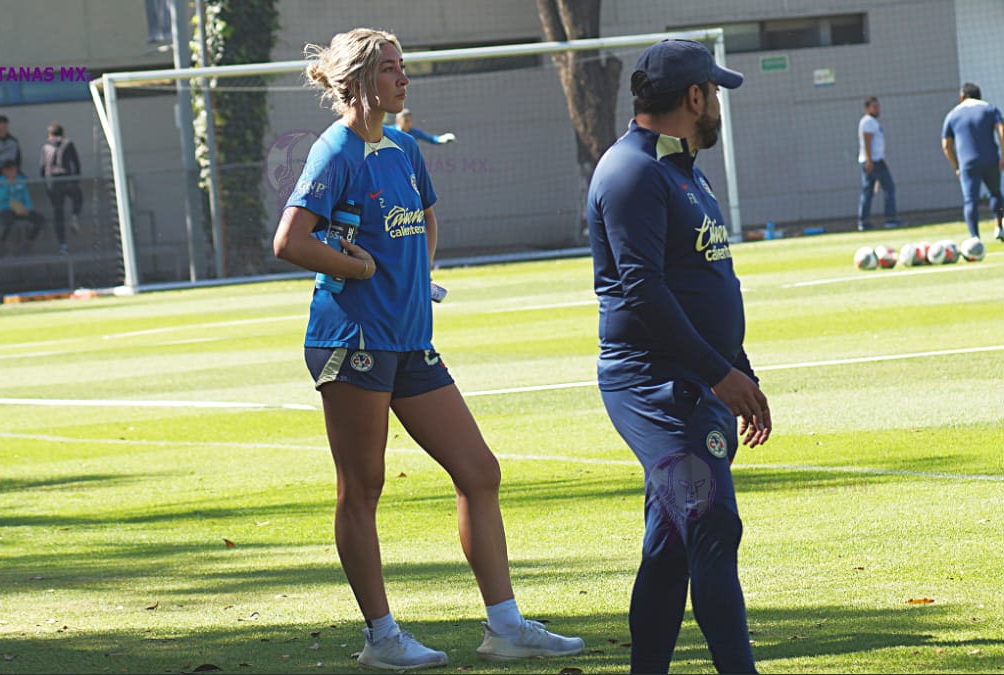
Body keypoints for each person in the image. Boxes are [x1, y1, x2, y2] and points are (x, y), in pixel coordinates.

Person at [272, 28, 583, 671]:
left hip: (411, 340)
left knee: (479, 471)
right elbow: (290, 242)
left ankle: (506, 627)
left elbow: (427, 218)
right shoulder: (336, 152)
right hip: (352, 339)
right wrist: (356, 272)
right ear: (359, 81)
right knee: (363, 488)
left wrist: (418, 273)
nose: (403, 78)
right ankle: (381, 639)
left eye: (403, 66)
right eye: (390, 69)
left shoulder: (405, 148)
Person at [585, 39, 771, 674]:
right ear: (694, 97)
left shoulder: (682, 167)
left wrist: (737, 366)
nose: (716, 102)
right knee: (713, 524)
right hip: (655, 387)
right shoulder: (632, 171)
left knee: (671, 545)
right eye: (713, 92)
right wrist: (719, 374)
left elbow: (704, 273)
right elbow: (643, 291)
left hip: (701, 378)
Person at [940, 82, 1004, 242]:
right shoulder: (990, 109)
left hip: (967, 164)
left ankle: (975, 237)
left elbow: (946, 146)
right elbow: (1001, 132)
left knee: (970, 200)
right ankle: (999, 227)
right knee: (996, 193)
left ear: (962, 97)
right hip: (991, 160)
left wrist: (956, 166)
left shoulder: (952, 115)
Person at [856, 96, 903, 231]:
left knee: (868, 191)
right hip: (874, 161)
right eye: (874, 107)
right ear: (867, 109)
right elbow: (867, 142)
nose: (877, 109)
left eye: (878, 106)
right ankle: (890, 219)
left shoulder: (872, 122)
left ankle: (863, 221)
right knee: (889, 187)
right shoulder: (868, 122)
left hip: (873, 160)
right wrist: (870, 160)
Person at [0, 159, 52, 254]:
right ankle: (2, 243)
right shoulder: (0, 181)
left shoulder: (20, 179)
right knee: (7, 223)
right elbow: (0, 198)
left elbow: (26, 196)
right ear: (5, 171)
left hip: (22, 209)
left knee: (40, 220)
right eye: (10, 170)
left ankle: (29, 242)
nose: (13, 172)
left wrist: (28, 209)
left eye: (15, 170)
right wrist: (8, 184)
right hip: (6, 209)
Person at [39, 122, 83, 242]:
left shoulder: (45, 147)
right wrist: (76, 180)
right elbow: (76, 163)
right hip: (66, 179)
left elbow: (42, 168)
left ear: (50, 135)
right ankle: (74, 215)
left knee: (58, 212)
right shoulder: (68, 143)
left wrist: (47, 185)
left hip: (52, 182)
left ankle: (62, 244)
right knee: (77, 196)